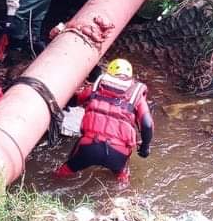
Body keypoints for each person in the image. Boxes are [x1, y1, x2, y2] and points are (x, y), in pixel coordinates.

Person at [53, 58, 153, 186]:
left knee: (64, 171)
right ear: (130, 76)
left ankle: (50, 184)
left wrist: (59, 102)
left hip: (89, 147)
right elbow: (147, 124)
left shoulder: (97, 86)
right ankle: (123, 193)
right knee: (122, 178)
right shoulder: (136, 94)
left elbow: (75, 100)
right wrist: (145, 148)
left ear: (109, 73)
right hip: (118, 153)